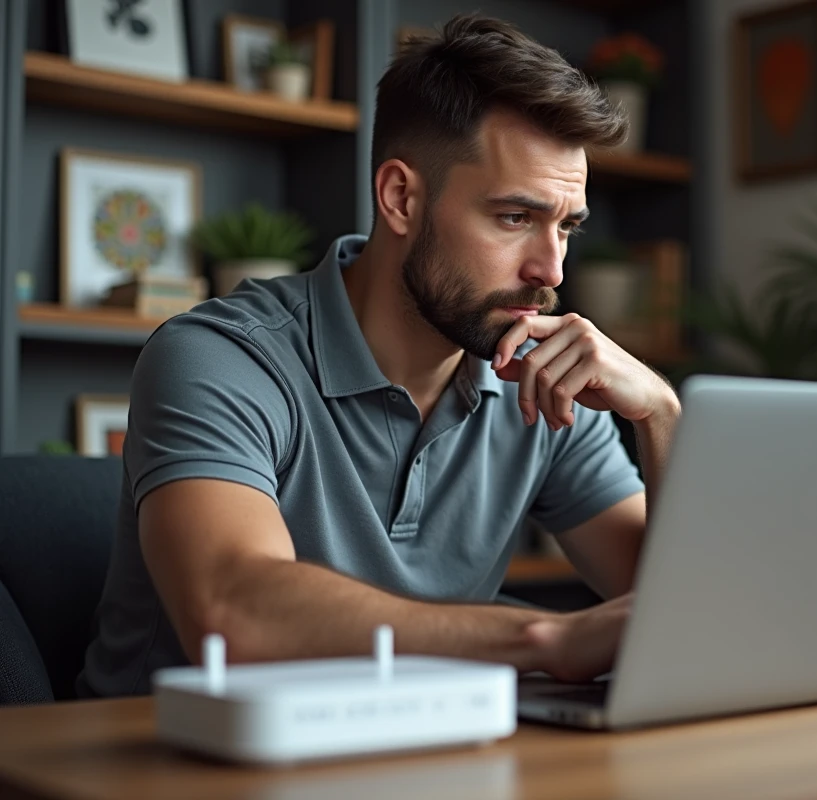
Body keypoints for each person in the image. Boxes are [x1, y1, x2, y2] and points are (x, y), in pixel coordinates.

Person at [77, 13, 681, 698]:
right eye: (514, 218)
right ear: (400, 197)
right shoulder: (220, 358)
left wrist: (660, 415)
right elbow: (234, 615)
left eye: (565, 227)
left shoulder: (537, 378)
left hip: (411, 756)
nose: (552, 270)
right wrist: (546, 639)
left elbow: (682, 613)